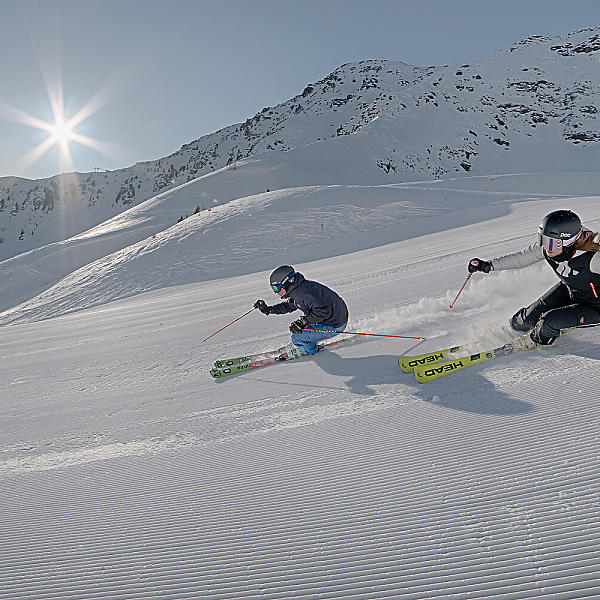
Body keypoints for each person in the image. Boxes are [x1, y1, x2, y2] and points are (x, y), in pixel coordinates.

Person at [468, 209, 600, 345]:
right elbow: (520, 259)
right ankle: (510, 332)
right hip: (571, 289)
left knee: (547, 322)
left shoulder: (593, 258)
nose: (547, 248)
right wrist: (488, 265)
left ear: (569, 242)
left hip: (594, 308)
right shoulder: (550, 248)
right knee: (526, 319)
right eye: (544, 240)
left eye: (553, 243)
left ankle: (534, 341)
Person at [254, 265, 348, 355]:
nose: (276, 292)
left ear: (286, 283)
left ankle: (308, 350)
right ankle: (304, 342)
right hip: (331, 320)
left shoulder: (303, 294)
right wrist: (268, 310)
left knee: (297, 337)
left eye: (276, 288)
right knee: (299, 330)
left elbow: (324, 312)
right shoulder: (298, 290)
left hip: (335, 326)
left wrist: (304, 322)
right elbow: (289, 306)